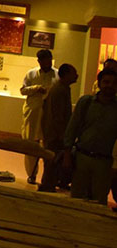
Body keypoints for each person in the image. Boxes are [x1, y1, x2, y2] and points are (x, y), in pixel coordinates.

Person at [63, 68, 117, 204]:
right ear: (99, 83)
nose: (110, 85)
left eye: (114, 83)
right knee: (76, 200)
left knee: (99, 202)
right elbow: (72, 129)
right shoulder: (86, 103)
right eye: (106, 82)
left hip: (104, 162)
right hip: (82, 158)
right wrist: (67, 156)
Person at [20, 49, 58, 184]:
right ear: (39, 61)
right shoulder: (31, 74)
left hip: (49, 116)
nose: (47, 63)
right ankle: (31, 174)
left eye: (48, 60)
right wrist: (36, 88)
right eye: (43, 61)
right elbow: (23, 90)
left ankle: (48, 178)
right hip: (32, 114)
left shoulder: (57, 75)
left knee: (48, 147)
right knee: (31, 145)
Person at [38, 63, 77, 193]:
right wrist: (63, 135)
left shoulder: (60, 88)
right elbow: (58, 116)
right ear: (66, 75)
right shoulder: (60, 90)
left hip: (52, 132)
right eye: (73, 73)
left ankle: (50, 183)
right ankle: (47, 185)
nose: (76, 76)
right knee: (52, 160)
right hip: (55, 134)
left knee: (53, 160)